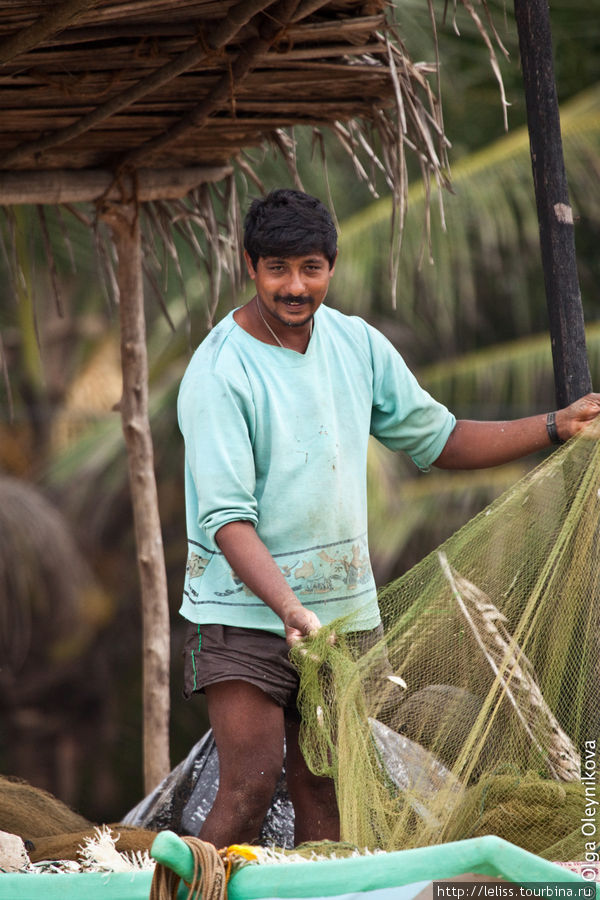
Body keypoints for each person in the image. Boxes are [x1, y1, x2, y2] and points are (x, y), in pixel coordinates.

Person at [177, 188, 600, 849]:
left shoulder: (356, 345)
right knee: (250, 787)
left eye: (311, 268)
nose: (295, 287)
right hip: (246, 618)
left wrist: (553, 425)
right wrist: (289, 609)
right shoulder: (219, 370)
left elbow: (442, 440)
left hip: (343, 617)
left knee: (330, 788)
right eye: (278, 269)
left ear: (333, 266)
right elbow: (228, 519)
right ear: (250, 265)